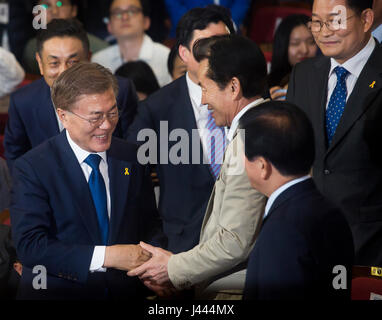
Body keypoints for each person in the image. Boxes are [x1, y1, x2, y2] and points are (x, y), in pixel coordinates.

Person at [128, 34, 268, 300]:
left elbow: (234, 243)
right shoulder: (259, 126)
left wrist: (172, 266)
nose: (203, 100)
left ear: (234, 87)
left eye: (205, 88)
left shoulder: (251, 140)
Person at [10, 62, 165, 300]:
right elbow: (32, 246)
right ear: (63, 116)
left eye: (112, 112)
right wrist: (108, 256)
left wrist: (154, 268)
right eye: (95, 117)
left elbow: (150, 224)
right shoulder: (33, 168)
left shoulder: (132, 156)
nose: (106, 125)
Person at [127, 6, 235, 254]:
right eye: (206, 45)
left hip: (245, 242)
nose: (217, 54)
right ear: (184, 53)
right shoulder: (156, 108)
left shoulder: (249, 95)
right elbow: (130, 175)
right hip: (181, 245)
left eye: (225, 44)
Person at [287, 0, 382, 266]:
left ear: (366, 19)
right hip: (309, 242)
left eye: (335, 20)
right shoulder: (303, 74)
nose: (323, 31)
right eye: (317, 22)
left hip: (372, 248)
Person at [240, 101, 354, 300]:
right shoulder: (330, 210)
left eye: (244, 155)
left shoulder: (282, 230)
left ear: (262, 166)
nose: (241, 162)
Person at [4, 18, 138, 173]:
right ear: (40, 63)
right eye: (54, 63)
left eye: (73, 62)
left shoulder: (119, 91)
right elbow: (16, 157)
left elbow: (132, 149)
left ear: (88, 58)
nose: (64, 72)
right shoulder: (23, 101)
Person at [91, 0, 172, 87]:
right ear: (109, 25)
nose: (124, 17)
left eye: (132, 11)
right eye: (117, 13)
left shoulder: (165, 57)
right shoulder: (99, 61)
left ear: (146, 21)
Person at [22, 0, 109, 75]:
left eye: (60, 4)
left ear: (74, 10)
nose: (55, 11)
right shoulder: (31, 48)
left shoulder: (100, 49)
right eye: (46, 5)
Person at [268, 14, 318, 101]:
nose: (304, 50)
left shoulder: (326, 80)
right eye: (295, 43)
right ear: (282, 46)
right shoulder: (269, 85)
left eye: (311, 42)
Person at [164, 0, 251, 38]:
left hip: (231, 35)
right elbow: (174, 4)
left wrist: (228, 26)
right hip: (188, 34)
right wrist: (197, 29)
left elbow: (241, 3)